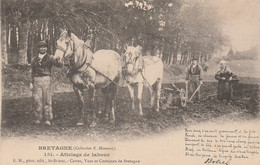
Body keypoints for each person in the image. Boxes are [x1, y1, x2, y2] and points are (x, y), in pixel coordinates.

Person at [29, 41, 62, 126]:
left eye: (44, 47)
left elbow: (59, 65)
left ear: (46, 48)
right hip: (36, 80)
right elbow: (31, 71)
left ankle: (47, 119)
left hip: (47, 79)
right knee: (37, 100)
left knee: (47, 99)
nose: (43, 48)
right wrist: (31, 82)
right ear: (38, 49)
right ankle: (37, 118)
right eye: (41, 47)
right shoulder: (34, 59)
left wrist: (58, 59)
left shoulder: (50, 58)